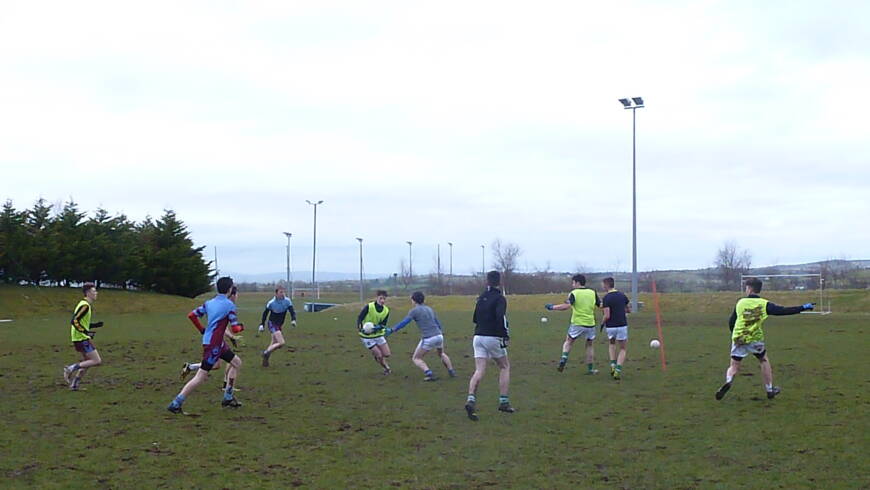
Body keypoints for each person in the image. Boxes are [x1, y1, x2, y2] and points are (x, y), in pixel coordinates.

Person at [715, 278, 815, 400]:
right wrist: (803, 307)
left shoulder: (740, 303)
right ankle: (769, 390)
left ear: (749, 288)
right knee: (763, 360)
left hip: (739, 337)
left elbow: (732, 321)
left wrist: (734, 335)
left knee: (734, 365)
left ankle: (729, 380)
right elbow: (782, 311)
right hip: (755, 338)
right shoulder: (764, 304)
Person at [168, 277, 244, 413]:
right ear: (229, 289)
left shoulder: (209, 303)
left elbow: (192, 315)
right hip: (214, 345)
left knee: (237, 363)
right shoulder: (229, 305)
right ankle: (176, 403)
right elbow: (235, 328)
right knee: (200, 376)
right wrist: (241, 327)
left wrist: (202, 330)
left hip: (217, 343)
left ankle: (228, 396)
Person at [465, 271, 514, 421]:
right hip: (492, 337)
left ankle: (471, 399)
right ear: (499, 282)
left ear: (487, 281)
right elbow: (500, 317)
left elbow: (474, 318)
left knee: (479, 370)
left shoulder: (481, 297)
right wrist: (504, 335)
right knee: (504, 366)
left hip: (478, 336)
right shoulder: (500, 298)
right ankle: (503, 402)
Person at [180, 286, 244, 392]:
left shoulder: (220, 303)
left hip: (216, 340)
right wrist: (233, 335)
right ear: (231, 294)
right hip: (215, 341)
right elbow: (225, 327)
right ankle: (177, 402)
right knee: (220, 365)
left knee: (221, 364)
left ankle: (190, 367)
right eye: (236, 294)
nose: (237, 296)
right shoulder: (227, 305)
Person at [386, 291, 456, 381]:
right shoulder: (430, 309)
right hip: (439, 336)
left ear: (414, 300)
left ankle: (429, 373)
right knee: (441, 353)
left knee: (416, 358)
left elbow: (404, 322)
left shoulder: (414, 311)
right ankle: (451, 371)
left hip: (428, 338)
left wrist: (392, 329)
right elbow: (438, 323)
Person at [545, 274, 601, 374]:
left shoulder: (574, 293)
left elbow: (566, 306)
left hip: (577, 323)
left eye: (573, 282)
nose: (572, 284)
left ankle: (563, 358)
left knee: (569, 341)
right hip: (590, 323)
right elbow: (600, 305)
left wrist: (552, 307)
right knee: (589, 346)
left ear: (577, 282)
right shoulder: (592, 292)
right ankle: (590, 369)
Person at [62, 283, 105, 391]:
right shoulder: (85, 305)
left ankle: (74, 385)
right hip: (81, 338)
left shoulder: (84, 304)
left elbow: (81, 322)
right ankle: (70, 368)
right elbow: (74, 321)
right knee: (96, 360)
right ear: (88, 293)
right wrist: (85, 331)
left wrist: (94, 325)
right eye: (94, 291)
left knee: (87, 362)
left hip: (79, 337)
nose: (96, 293)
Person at [258, 286, 297, 367]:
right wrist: (262, 324)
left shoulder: (287, 301)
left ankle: (265, 358)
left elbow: (292, 311)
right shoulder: (271, 303)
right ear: (276, 293)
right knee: (281, 342)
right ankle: (265, 353)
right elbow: (265, 314)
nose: (283, 294)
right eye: (280, 292)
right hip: (272, 323)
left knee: (274, 343)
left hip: (279, 324)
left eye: (283, 292)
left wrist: (293, 319)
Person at [601, 277, 630, 380]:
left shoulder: (606, 298)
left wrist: (602, 323)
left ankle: (613, 365)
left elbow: (607, 315)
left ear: (606, 285)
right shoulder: (622, 296)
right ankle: (617, 370)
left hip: (610, 327)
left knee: (611, 344)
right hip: (622, 325)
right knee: (622, 348)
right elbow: (628, 309)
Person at [357, 290, 392, 375]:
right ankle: (386, 368)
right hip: (366, 336)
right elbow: (360, 318)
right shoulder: (369, 306)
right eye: (380, 298)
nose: (382, 300)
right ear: (377, 298)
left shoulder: (386, 310)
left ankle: (376, 356)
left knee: (387, 354)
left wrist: (377, 328)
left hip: (378, 334)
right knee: (379, 355)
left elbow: (383, 324)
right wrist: (360, 328)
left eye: (384, 299)